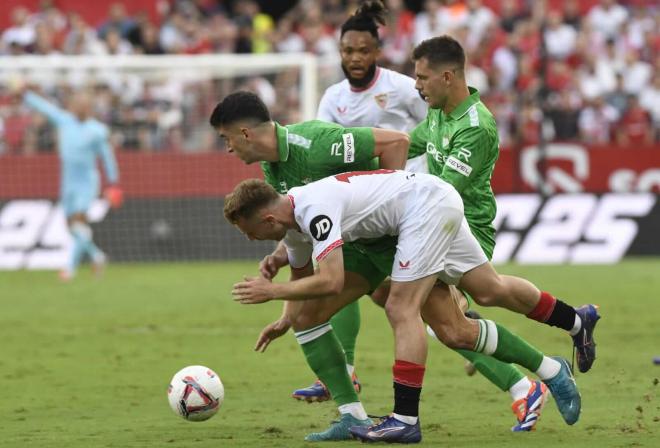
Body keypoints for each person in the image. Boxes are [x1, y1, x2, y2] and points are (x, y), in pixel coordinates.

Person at [225, 171, 581, 444]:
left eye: (248, 231)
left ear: (267, 219)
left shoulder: (314, 211)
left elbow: (331, 281)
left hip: (423, 209)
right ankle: (553, 369)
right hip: (431, 200)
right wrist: (286, 317)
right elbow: (304, 282)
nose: (250, 239)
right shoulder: (293, 227)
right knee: (474, 307)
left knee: (400, 307)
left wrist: (271, 291)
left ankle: (405, 420)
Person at [209, 90, 410, 440]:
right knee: (307, 315)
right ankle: (352, 414)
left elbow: (396, 140)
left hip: (395, 232)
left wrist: (392, 211)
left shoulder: (317, 143)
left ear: (244, 134)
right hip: (357, 246)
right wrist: (286, 311)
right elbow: (300, 250)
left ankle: (526, 381)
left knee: (453, 318)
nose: (227, 148)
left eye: (226, 139)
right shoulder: (272, 172)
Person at [406, 35, 600, 375]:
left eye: (422, 77)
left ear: (447, 77)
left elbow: (445, 189)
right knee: (468, 303)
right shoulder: (437, 113)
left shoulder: (476, 127)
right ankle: (571, 324)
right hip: (439, 224)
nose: (416, 85)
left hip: (466, 225)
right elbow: (409, 144)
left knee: (479, 297)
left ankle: (524, 364)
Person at [293, 0, 427, 403]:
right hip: (360, 208)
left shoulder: (402, 88)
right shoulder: (333, 98)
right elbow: (323, 150)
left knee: (417, 304)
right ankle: (345, 371)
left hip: (407, 203)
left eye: (363, 51)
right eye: (348, 51)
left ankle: (514, 374)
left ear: (377, 52)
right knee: (344, 273)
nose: (355, 58)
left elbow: (436, 124)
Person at [19, 86, 122, 280]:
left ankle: (70, 269)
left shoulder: (97, 130)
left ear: (89, 108)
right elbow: (45, 108)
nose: (80, 109)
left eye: (84, 105)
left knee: (78, 221)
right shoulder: (64, 120)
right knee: (71, 226)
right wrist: (26, 95)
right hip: (68, 183)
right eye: (77, 105)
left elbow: (107, 156)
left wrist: (113, 182)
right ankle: (96, 256)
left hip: (87, 182)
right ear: (73, 107)